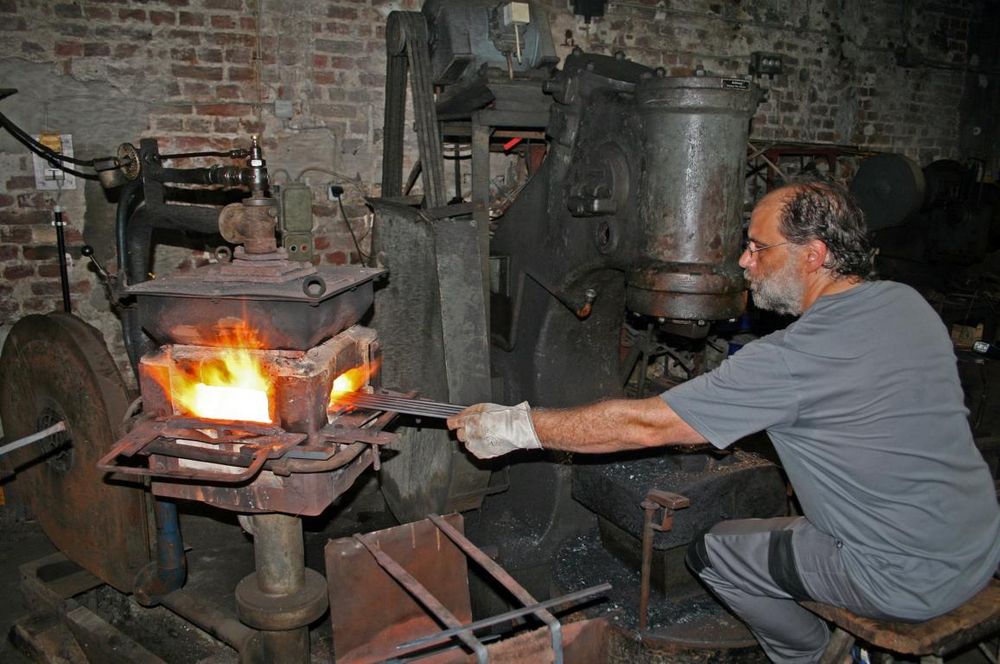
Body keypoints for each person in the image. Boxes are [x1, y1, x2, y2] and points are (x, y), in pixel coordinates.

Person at [447, 179, 1000, 662]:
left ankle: (814, 657)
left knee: (714, 553)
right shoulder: (907, 304)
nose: (744, 261)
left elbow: (645, 426)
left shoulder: (790, 359)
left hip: (902, 578)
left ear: (813, 255)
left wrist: (516, 427)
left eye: (759, 248)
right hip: (977, 541)